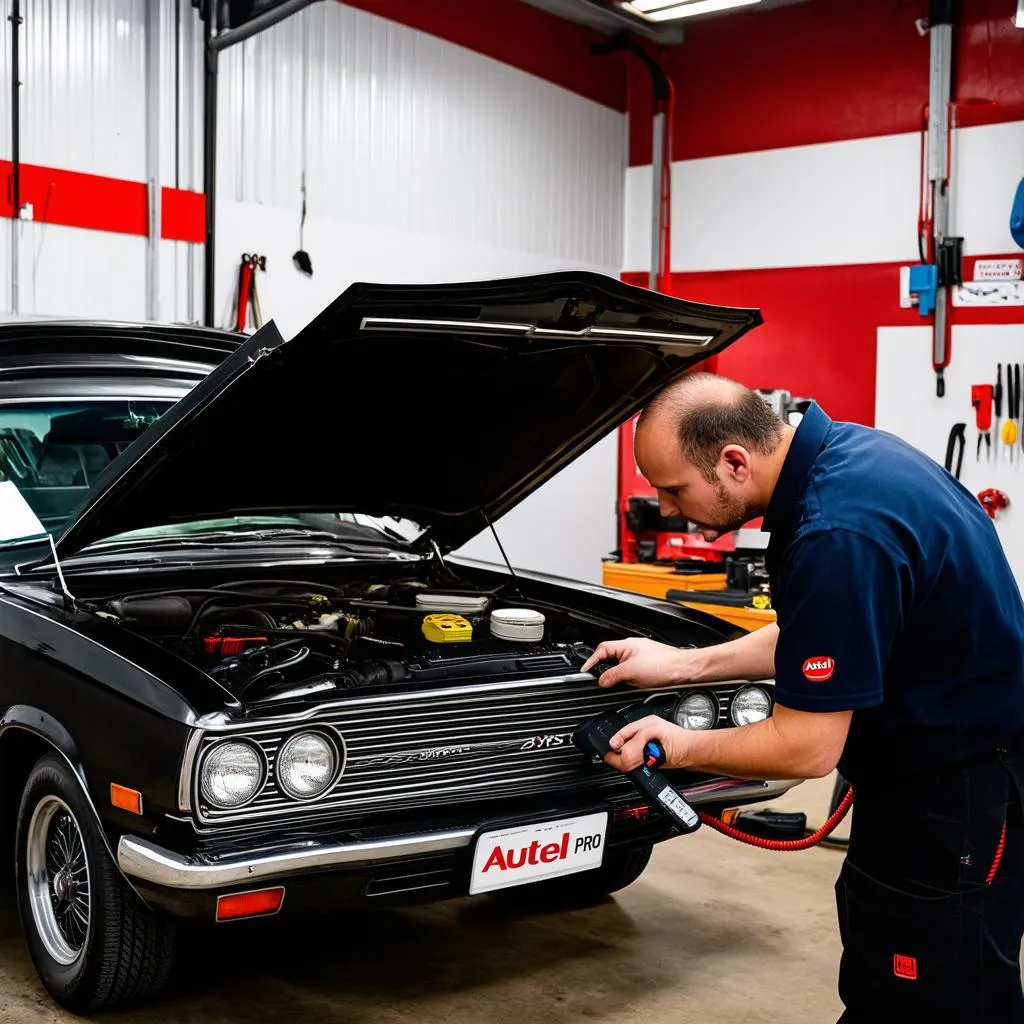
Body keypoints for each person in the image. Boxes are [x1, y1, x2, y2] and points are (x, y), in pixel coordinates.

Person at [582, 373, 1024, 1023]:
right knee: (897, 968)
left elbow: (807, 745)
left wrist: (676, 744)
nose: (668, 509)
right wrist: (684, 663)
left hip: (950, 798)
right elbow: (827, 627)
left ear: (734, 461)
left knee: (935, 995)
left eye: (674, 489)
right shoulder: (852, 456)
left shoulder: (835, 529)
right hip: (947, 778)